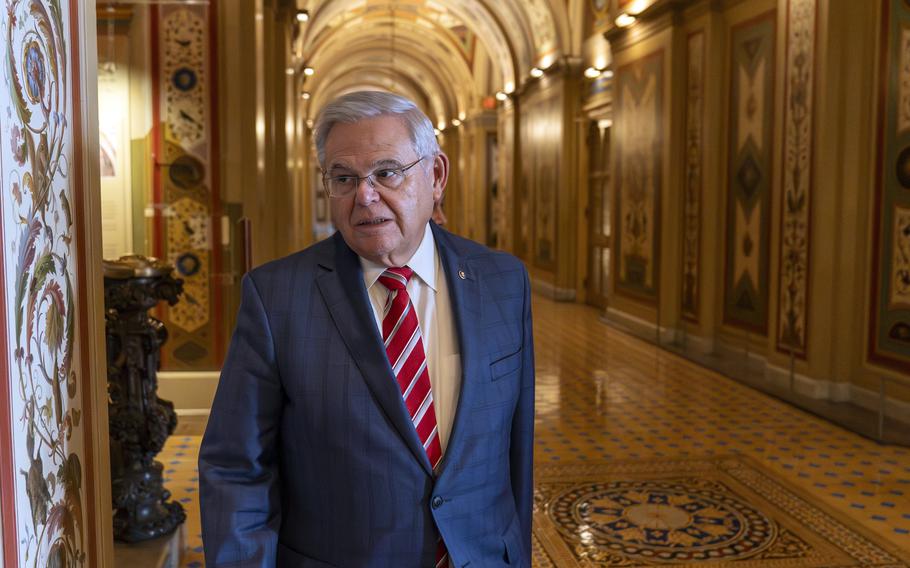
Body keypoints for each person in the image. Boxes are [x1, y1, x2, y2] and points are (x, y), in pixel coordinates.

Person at [198, 91, 535, 567]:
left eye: (387, 172)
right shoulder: (277, 298)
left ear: (435, 175)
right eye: (344, 178)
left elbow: (516, 454)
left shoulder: (503, 281)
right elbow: (236, 468)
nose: (366, 195)